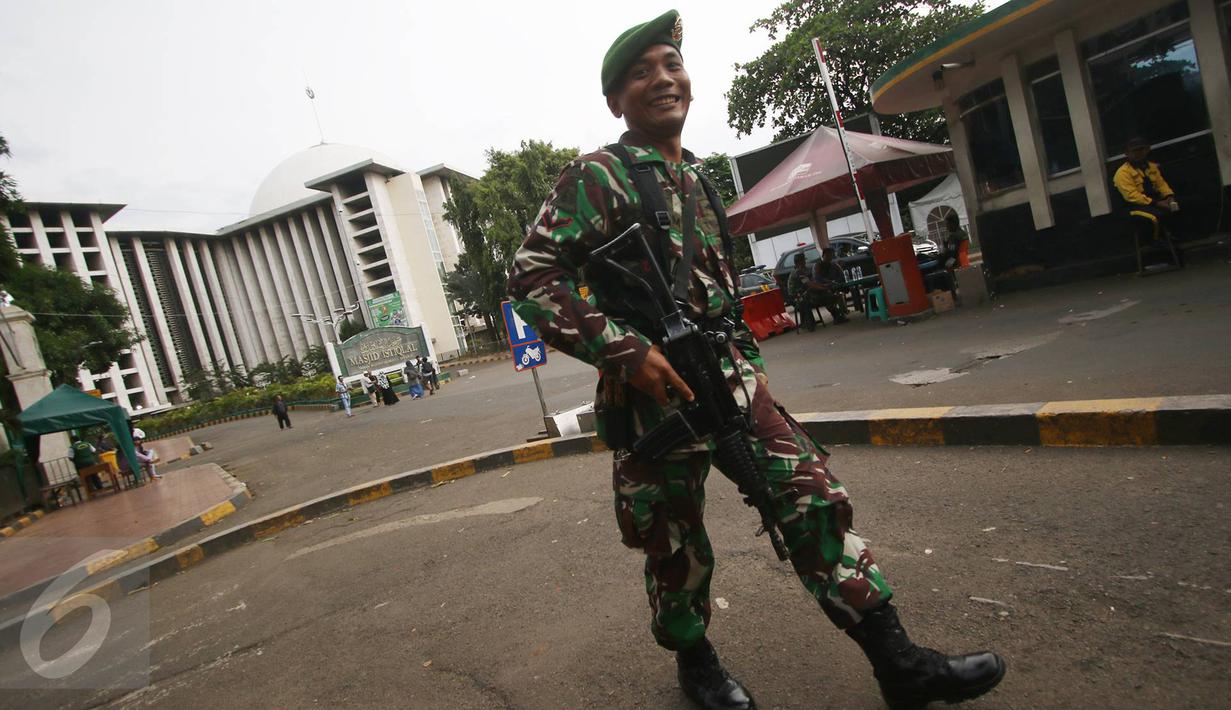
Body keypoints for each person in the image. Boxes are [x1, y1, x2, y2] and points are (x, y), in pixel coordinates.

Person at [506, 11, 1004, 710]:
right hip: (650, 395)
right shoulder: (600, 175)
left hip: (727, 381)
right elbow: (530, 276)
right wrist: (625, 353)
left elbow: (713, 296)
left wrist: (748, 369)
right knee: (671, 541)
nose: (663, 80)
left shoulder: (700, 182)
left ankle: (897, 663)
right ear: (615, 101)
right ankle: (696, 664)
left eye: (670, 64)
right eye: (641, 72)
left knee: (810, 500)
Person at [1113, 137, 1185, 265]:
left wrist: (1169, 196)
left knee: (1177, 207)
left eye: (1141, 150)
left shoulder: (1151, 167)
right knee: (1154, 217)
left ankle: (1172, 240)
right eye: (1134, 151)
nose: (1138, 153)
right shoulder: (1122, 173)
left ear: (1147, 150)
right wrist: (1156, 203)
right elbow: (1131, 196)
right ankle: (1154, 242)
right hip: (1133, 207)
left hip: (1153, 201)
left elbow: (1161, 184)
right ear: (1127, 153)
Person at [788, 252, 846, 332]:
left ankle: (837, 315)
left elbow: (813, 282)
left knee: (825, 293)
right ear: (798, 262)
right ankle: (836, 315)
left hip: (806, 293)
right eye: (803, 261)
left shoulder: (804, 270)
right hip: (798, 297)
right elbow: (809, 285)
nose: (804, 262)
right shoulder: (798, 272)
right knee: (824, 295)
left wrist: (824, 285)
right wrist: (823, 288)